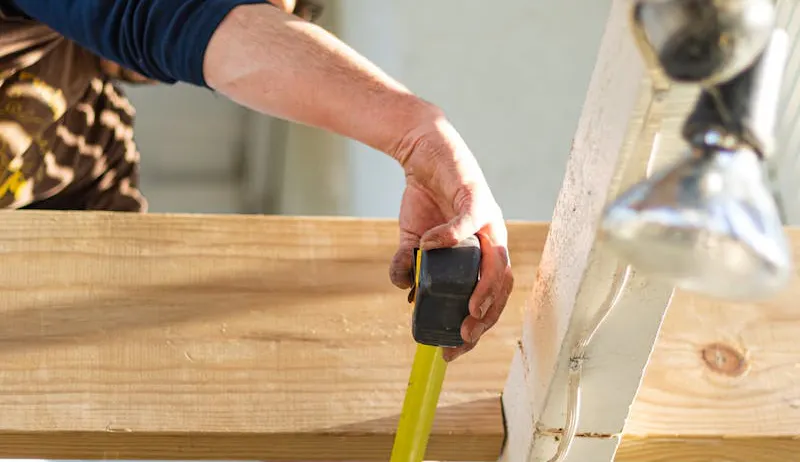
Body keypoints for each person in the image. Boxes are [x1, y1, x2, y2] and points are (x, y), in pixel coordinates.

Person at [0, 0, 513, 361]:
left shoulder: (90, 139)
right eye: (243, 11)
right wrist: (414, 133)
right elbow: (160, 17)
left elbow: (120, 306)